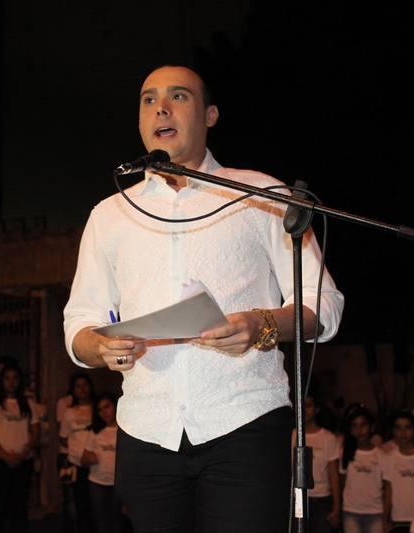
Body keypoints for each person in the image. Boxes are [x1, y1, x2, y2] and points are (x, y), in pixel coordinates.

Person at [63, 64, 344, 533]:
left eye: (178, 96)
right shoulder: (110, 214)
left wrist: (263, 325)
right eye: (148, 99)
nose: (161, 108)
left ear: (210, 115)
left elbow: (325, 304)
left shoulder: (261, 194)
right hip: (146, 432)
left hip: (245, 423)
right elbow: (79, 323)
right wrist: (101, 346)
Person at [0, 364, 39, 533]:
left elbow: (36, 431)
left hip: (23, 461)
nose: (11, 382)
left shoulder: (28, 402)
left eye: (15, 378)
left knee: (19, 505)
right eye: (7, 378)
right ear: (1, 380)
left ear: (20, 381)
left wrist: (22, 454)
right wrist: (5, 455)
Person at [81, 393, 126, 533]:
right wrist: (89, 458)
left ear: (115, 406)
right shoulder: (95, 431)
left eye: (107, 406)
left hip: (119, 484)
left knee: (119, 523)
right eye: (100, 409)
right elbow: (83, 460)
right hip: (97, 483)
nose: (104, 412)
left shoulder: (126, 430)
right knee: (102, 523)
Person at [59, 373, 95, 533]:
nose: (82, 389)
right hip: (76, 463)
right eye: (78, 386)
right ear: (73, 390)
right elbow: (63, 438)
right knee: (79, 503)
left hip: (98, 463)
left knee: (96, 504)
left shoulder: (98, 407)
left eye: (85, 385)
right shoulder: (69, 412)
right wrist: (78, 449)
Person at [340, 406, 384, 533]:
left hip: (375, 511)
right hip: (351, 511)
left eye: (363, 425)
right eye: (355, 425)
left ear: (371, 427)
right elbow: (342, 482)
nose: (359, 430)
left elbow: (386, 486)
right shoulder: (345, 452)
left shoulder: (381, 454)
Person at [303, 393, 341, 532]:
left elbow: (334, 475)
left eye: (308, 405)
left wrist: (336, 507)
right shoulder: (293, 436)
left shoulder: (328, 438)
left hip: (321, 500)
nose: (304, 410)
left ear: (317, 409)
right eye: (301, 406)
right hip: (298, 499)